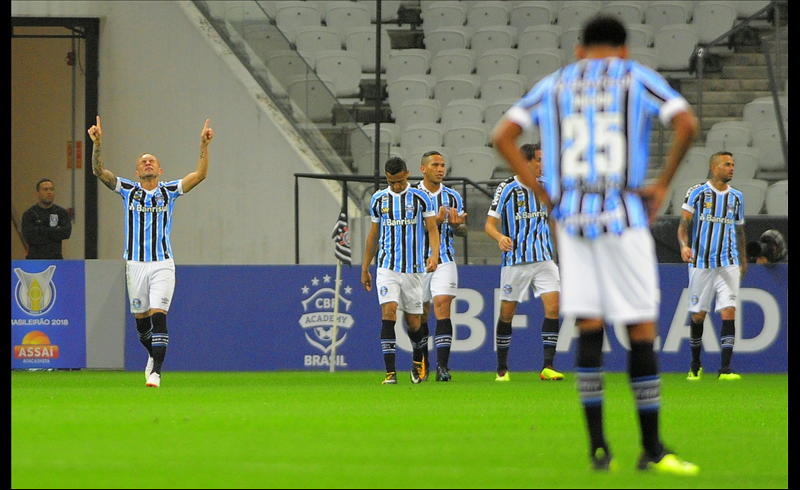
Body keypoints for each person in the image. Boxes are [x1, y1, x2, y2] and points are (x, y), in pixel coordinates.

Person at [491, 15, 700, 475]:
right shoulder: (634, 77)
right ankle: (652, 448)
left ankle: (599, 450)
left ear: (579, 51)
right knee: (640, 330)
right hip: (623, 218)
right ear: (624, 50)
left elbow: (502, 135)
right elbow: (686, 122)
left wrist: (542, 191)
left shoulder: (556, 83)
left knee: (589, 330)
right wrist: (662, 184)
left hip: (573, 222)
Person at [87, 115, 213, 388]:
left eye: (151, 161)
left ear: (160, 170)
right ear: (136, 172)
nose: (147, 163)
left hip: (162, 264)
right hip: (135, 265)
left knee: (159, 316)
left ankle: (156, 371)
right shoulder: (128, 190)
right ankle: (151, 356)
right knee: (142, 325)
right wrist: (97, 144)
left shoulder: (169, 191)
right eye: (143, 161)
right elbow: (100, 173)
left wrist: (203, 146)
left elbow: (200, 175)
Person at [485, 143, 564, 382]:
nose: (543, 164)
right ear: (527, 161)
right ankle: (502, 369)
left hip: (543, 259)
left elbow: (554, 221)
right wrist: (500, 238)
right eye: (539, 160)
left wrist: (559, 251)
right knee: (507, 314)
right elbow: (489, 225)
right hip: (516, 261)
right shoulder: (507, 188)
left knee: (553, 308)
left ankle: (547, 366)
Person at [362, 157, 440, 385]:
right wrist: (365, 267)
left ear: (407, 174)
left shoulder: (420, 197)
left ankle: (418, 357)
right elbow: (374, 235)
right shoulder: (378, 199)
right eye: (390, 181)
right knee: (389, 313)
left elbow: (432, 229)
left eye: (398, 181)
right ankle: (390, 373)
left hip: (414, 269)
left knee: (414, 323)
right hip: (387, 267)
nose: (395, 185)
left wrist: (434, 255)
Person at [677, 151, 747, 382]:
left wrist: (743, 261)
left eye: (733, 164)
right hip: (701, 263)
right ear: (715, 168)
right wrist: (684, 246)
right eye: (727, 164)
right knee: (699, 315)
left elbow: (739, 230)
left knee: (729, 311)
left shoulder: (737, 197)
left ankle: (725, 369)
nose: (732, 168)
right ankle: (695, 364)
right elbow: (683, 224)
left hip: (728, 262)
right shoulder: (697, 192)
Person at [404, 150, 468, 382]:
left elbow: (462, 231)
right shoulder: (410, 195)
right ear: (423, 169)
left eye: (442, 165)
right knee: (419, 315)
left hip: (444, 259)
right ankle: (422, 358)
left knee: (442, 305)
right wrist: (435, 222)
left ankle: (443, 367)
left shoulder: (452, 196)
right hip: (416, 262)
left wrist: (457, 225)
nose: (440, 169)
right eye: (435, 165)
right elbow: (405, 229)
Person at [21, 178, 72, 259]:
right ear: (37, 193)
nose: (49, 192)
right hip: (34, 260)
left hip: (56, 259)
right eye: (45, 189)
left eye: (52, 189)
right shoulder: (29, 214)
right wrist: (54, 232)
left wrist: (40, 230)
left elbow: (66, 233)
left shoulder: (61, 212)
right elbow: (29, 237)